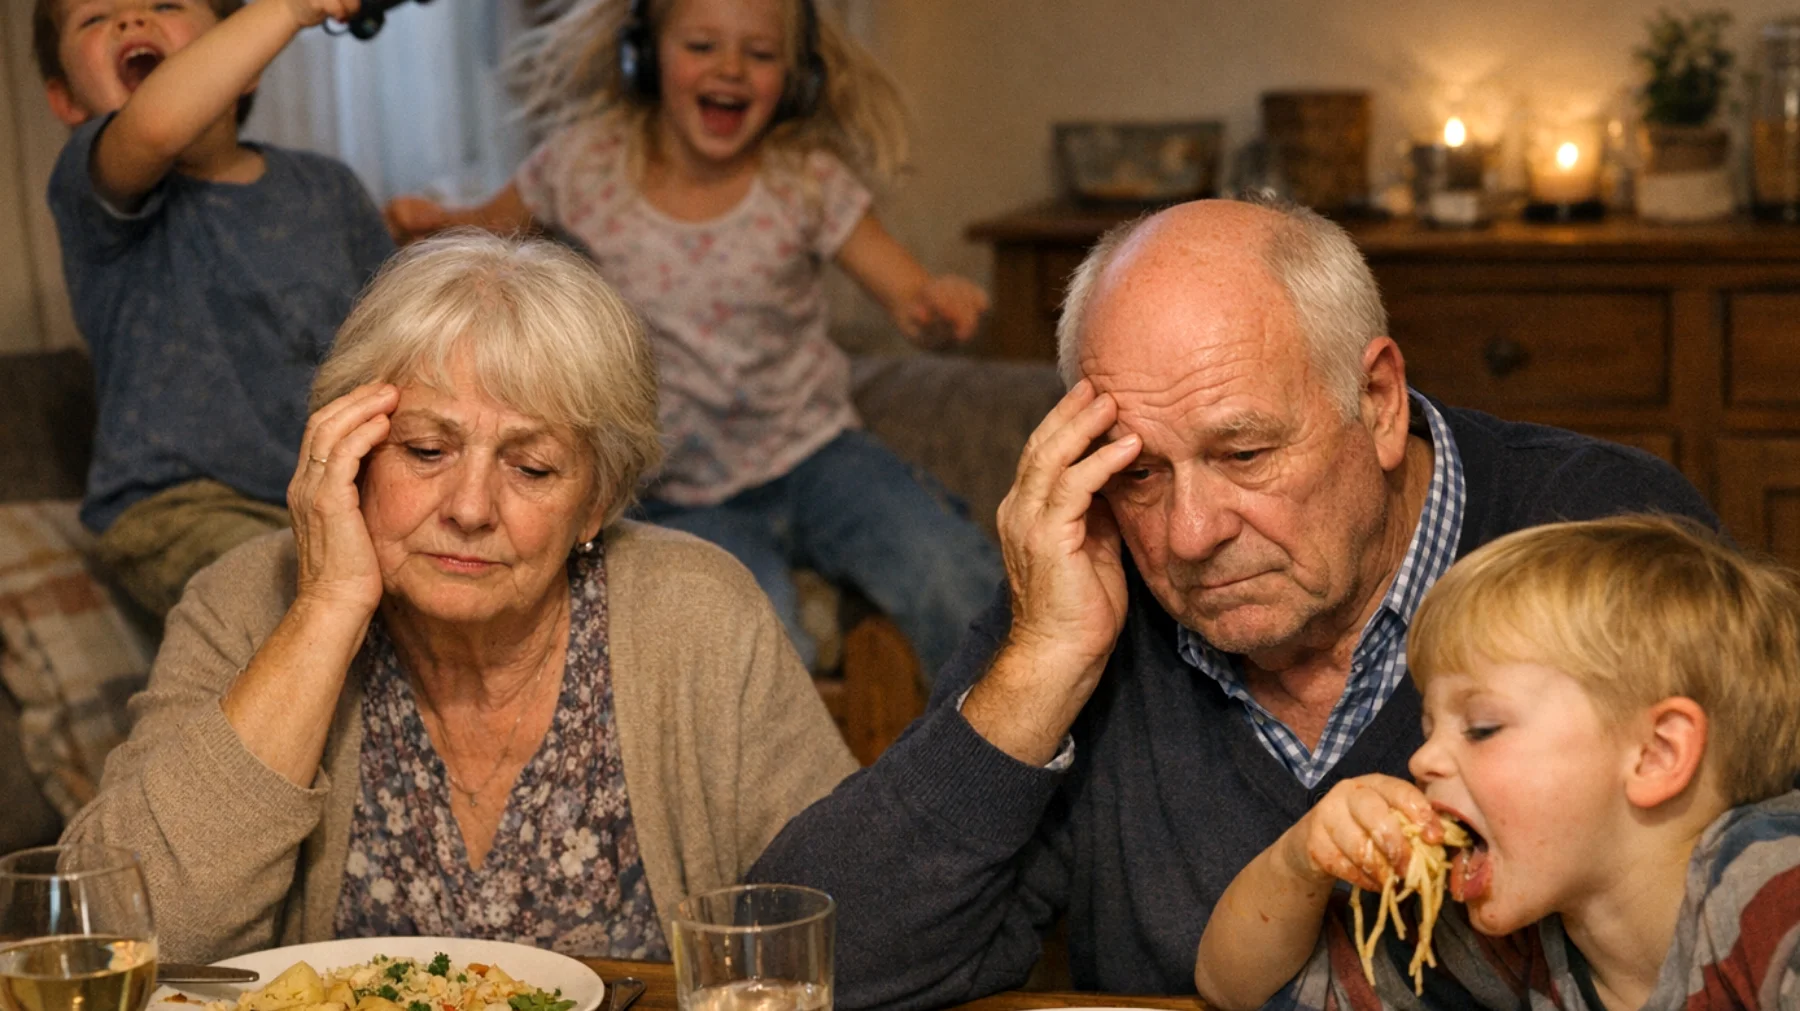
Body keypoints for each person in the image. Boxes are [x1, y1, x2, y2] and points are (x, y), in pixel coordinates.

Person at [746, 196, 1723, 1006]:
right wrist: (1043, 666)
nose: (1188, 533)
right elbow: (802, 971)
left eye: (1244, 453)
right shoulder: (1082, 592)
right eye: (1139, 474)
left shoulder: (1609, 539)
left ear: (1377, 401)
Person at [60, 232, 858, 963]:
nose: (471, 507)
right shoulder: (246, 601)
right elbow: (121, 938)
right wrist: (325, 610)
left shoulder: (697, 613)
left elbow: (844, 921)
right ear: (354, 451)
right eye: (427, 449)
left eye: (532, 467)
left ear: (597, 502)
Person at [382, 0, 1002, 677]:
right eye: (702, 45)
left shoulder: (810, 179)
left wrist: (935, 305)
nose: (731, 69)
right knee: (755, 647)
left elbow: (908, 295)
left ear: (796, 78)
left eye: (760, 55)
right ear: (643, 54)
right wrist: (432, 224)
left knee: (947, 571)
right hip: (674, 489)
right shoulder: (584, 164)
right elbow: (487, 235)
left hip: (818, 456)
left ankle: (1013, 757)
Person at [1194, 515, 1800, 1011]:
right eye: (1430, 727)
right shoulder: (1515, 938)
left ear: (1655, 754)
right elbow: (1238, 991)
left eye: (1482, 727)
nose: (1423, 758)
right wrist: (1300, 860)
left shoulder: (1773, 891)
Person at [33, 0, 395, 618]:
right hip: (181, 509)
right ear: (66, 101)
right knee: (300, 607)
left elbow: (398, 340)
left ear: (245, 66)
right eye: (95, 18)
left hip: (337, 497)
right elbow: (154, 126)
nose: (130, 20)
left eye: (166, 4)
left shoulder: (328, 188)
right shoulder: (91, 185)